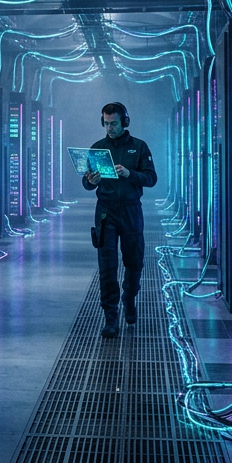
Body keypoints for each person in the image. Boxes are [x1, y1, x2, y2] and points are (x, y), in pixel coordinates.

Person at [82, 102, 157, 337]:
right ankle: (111, 316)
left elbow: (151, 178)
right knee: (107, 267)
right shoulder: (97, 149)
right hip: (106, 213)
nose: (109, 128)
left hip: (132, 211)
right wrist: (90, 181)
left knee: (134, 263)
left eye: (113, 123)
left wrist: (130, 174)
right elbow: (86, 181)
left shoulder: (139, 147)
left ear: (125, 122)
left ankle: (129, 296)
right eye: (106, 123)